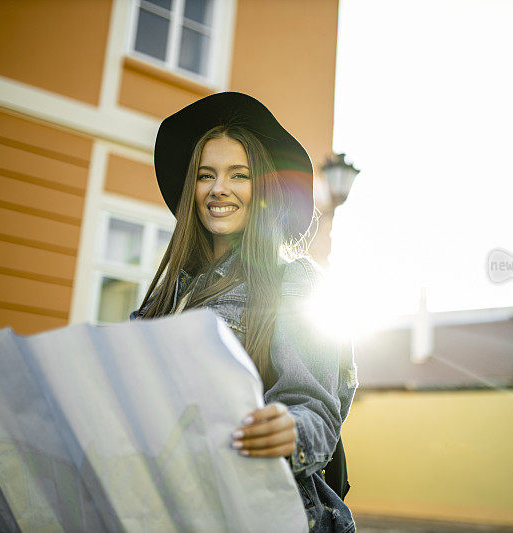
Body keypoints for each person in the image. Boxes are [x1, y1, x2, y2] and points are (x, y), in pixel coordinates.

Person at [129, 92, 359, 533]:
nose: (219, 188)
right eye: (205, 175)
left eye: (239, 175)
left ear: (263, 189)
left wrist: (288, 430)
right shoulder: (162, 300)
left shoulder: (295, 283)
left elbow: (317, 411)